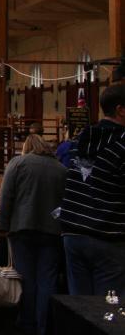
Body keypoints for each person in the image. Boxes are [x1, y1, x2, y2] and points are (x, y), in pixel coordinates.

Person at [0, 133, 66, 335]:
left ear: (27, 147)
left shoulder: (18, 163)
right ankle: (44, 325)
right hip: (52, 231)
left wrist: (2, 226)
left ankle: (27, 323)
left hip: (22, 229)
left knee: (26, 278)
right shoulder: (61, 169)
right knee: (47, 279)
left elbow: (6, 195)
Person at [60, 83, 125, 295]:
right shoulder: (122, 145)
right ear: (121, 110)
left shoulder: (82, 139)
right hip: (108, 235)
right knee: (106, 310)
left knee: (78, 306)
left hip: (73, 231)